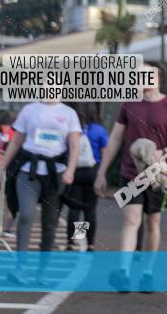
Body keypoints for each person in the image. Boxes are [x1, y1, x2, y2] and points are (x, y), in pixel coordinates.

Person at [94, 61, 167, 293]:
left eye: (146, 74)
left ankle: (147, 274)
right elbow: (115, 139)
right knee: (131, 220)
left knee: (152, 222)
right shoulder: (129, 104)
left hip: (159, 173)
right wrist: (102, 172)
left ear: (158, 78)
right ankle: (123, 272)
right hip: (130, 172)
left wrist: (163, 152)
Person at [0, 99, 81, 285]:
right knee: (26, 215)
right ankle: (21, 268)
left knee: (50, 223)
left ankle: (42, 271)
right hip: (29, 171)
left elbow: (75, 145)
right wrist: (2, 167)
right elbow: (16, 141)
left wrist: (70, 170)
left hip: (55, 173)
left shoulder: (69, 114)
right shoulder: (29, 110)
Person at [63, 102, 108, 251]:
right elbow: (104, 153)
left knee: (75, 207)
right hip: (92, 171)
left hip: (74, 170)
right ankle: (90, 243)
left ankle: (73, 241)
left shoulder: (73, 129)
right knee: (90, 208)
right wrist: (102, 174)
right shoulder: (99, 131)